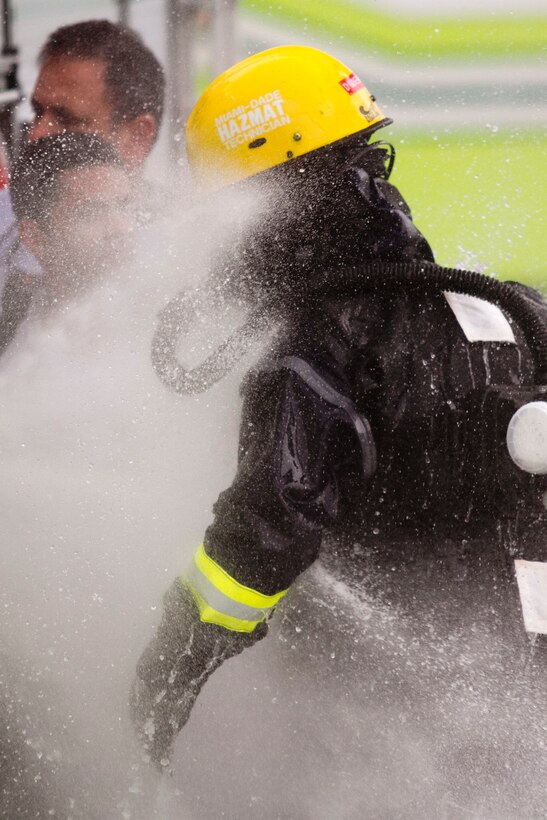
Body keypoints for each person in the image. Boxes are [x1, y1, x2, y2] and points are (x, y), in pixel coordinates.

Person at [130, 46, 547, 811]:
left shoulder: (313, 349)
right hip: (512, 689)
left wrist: (170, 660)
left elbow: (263, 538)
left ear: (275, 210)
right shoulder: (508, 314)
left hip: (380, 713)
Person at [0, 19, 165, 303]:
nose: (37, 133)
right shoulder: (7, 221)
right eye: (38, 112)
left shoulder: (173, 258)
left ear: (136, 138)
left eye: (67, 119)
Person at [0, 131, 134, 352]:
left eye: (125, 206)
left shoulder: (165, 303)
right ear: (35, 238)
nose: (120, 228)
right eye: (90, 213)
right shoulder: (14, 334)